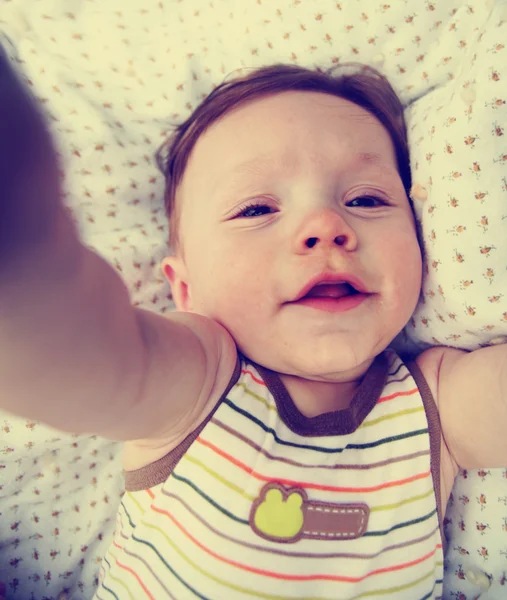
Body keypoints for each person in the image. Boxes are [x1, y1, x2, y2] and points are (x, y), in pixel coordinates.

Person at [0, 45, 505, 600]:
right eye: (258, 209)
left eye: (366, 198)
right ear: (185, 289)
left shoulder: (435, 404)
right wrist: (22, 241)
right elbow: (72, 356)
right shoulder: (199, 384)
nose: (325, 225)